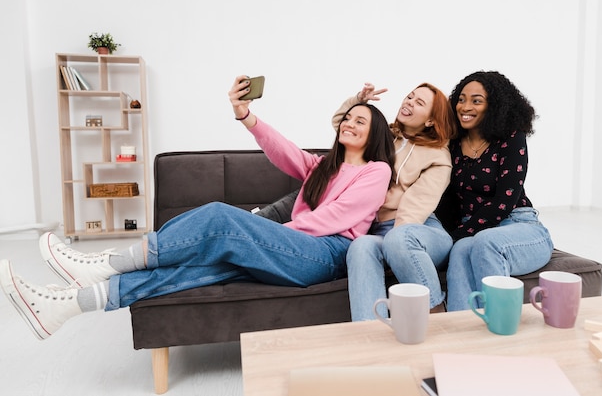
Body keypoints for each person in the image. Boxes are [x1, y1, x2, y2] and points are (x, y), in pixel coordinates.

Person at [0, 75, 395, 340]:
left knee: (223, 217)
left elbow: (334, 219)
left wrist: (266, 233)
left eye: (361, 121)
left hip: (324, 254)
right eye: (349, 117)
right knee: (200, 266)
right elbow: (283, 150)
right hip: (293, 248)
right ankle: (72, 304)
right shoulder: (324, 165)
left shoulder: (376, 170)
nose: (350, 123)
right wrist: (245, 115)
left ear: (374, 133)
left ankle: (108, 262)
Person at [331, 82, 457, 321]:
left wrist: (394, 250)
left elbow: (415, 207)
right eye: (409, 97)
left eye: (419, 102)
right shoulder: (384, 136)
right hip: (381, 231)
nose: (409, 102)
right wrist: (360, 101)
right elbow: (342, 126)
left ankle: (436, 310)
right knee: (361, 246)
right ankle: (372, 332)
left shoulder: (439, 157)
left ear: (431, 121)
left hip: (421, 230)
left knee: (399, 238)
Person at [442, 70, 554, 311]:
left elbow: (505, 201)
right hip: (476, 230)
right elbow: (448, 199)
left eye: (476, 100)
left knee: (482, 241)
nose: (465, 106)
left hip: (519, 226)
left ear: (494, 107)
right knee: (460, 250)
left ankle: (501, 327)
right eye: (461, 99)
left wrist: (459, 234)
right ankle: (459, 329)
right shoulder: (453, 144)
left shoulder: (511, 138)